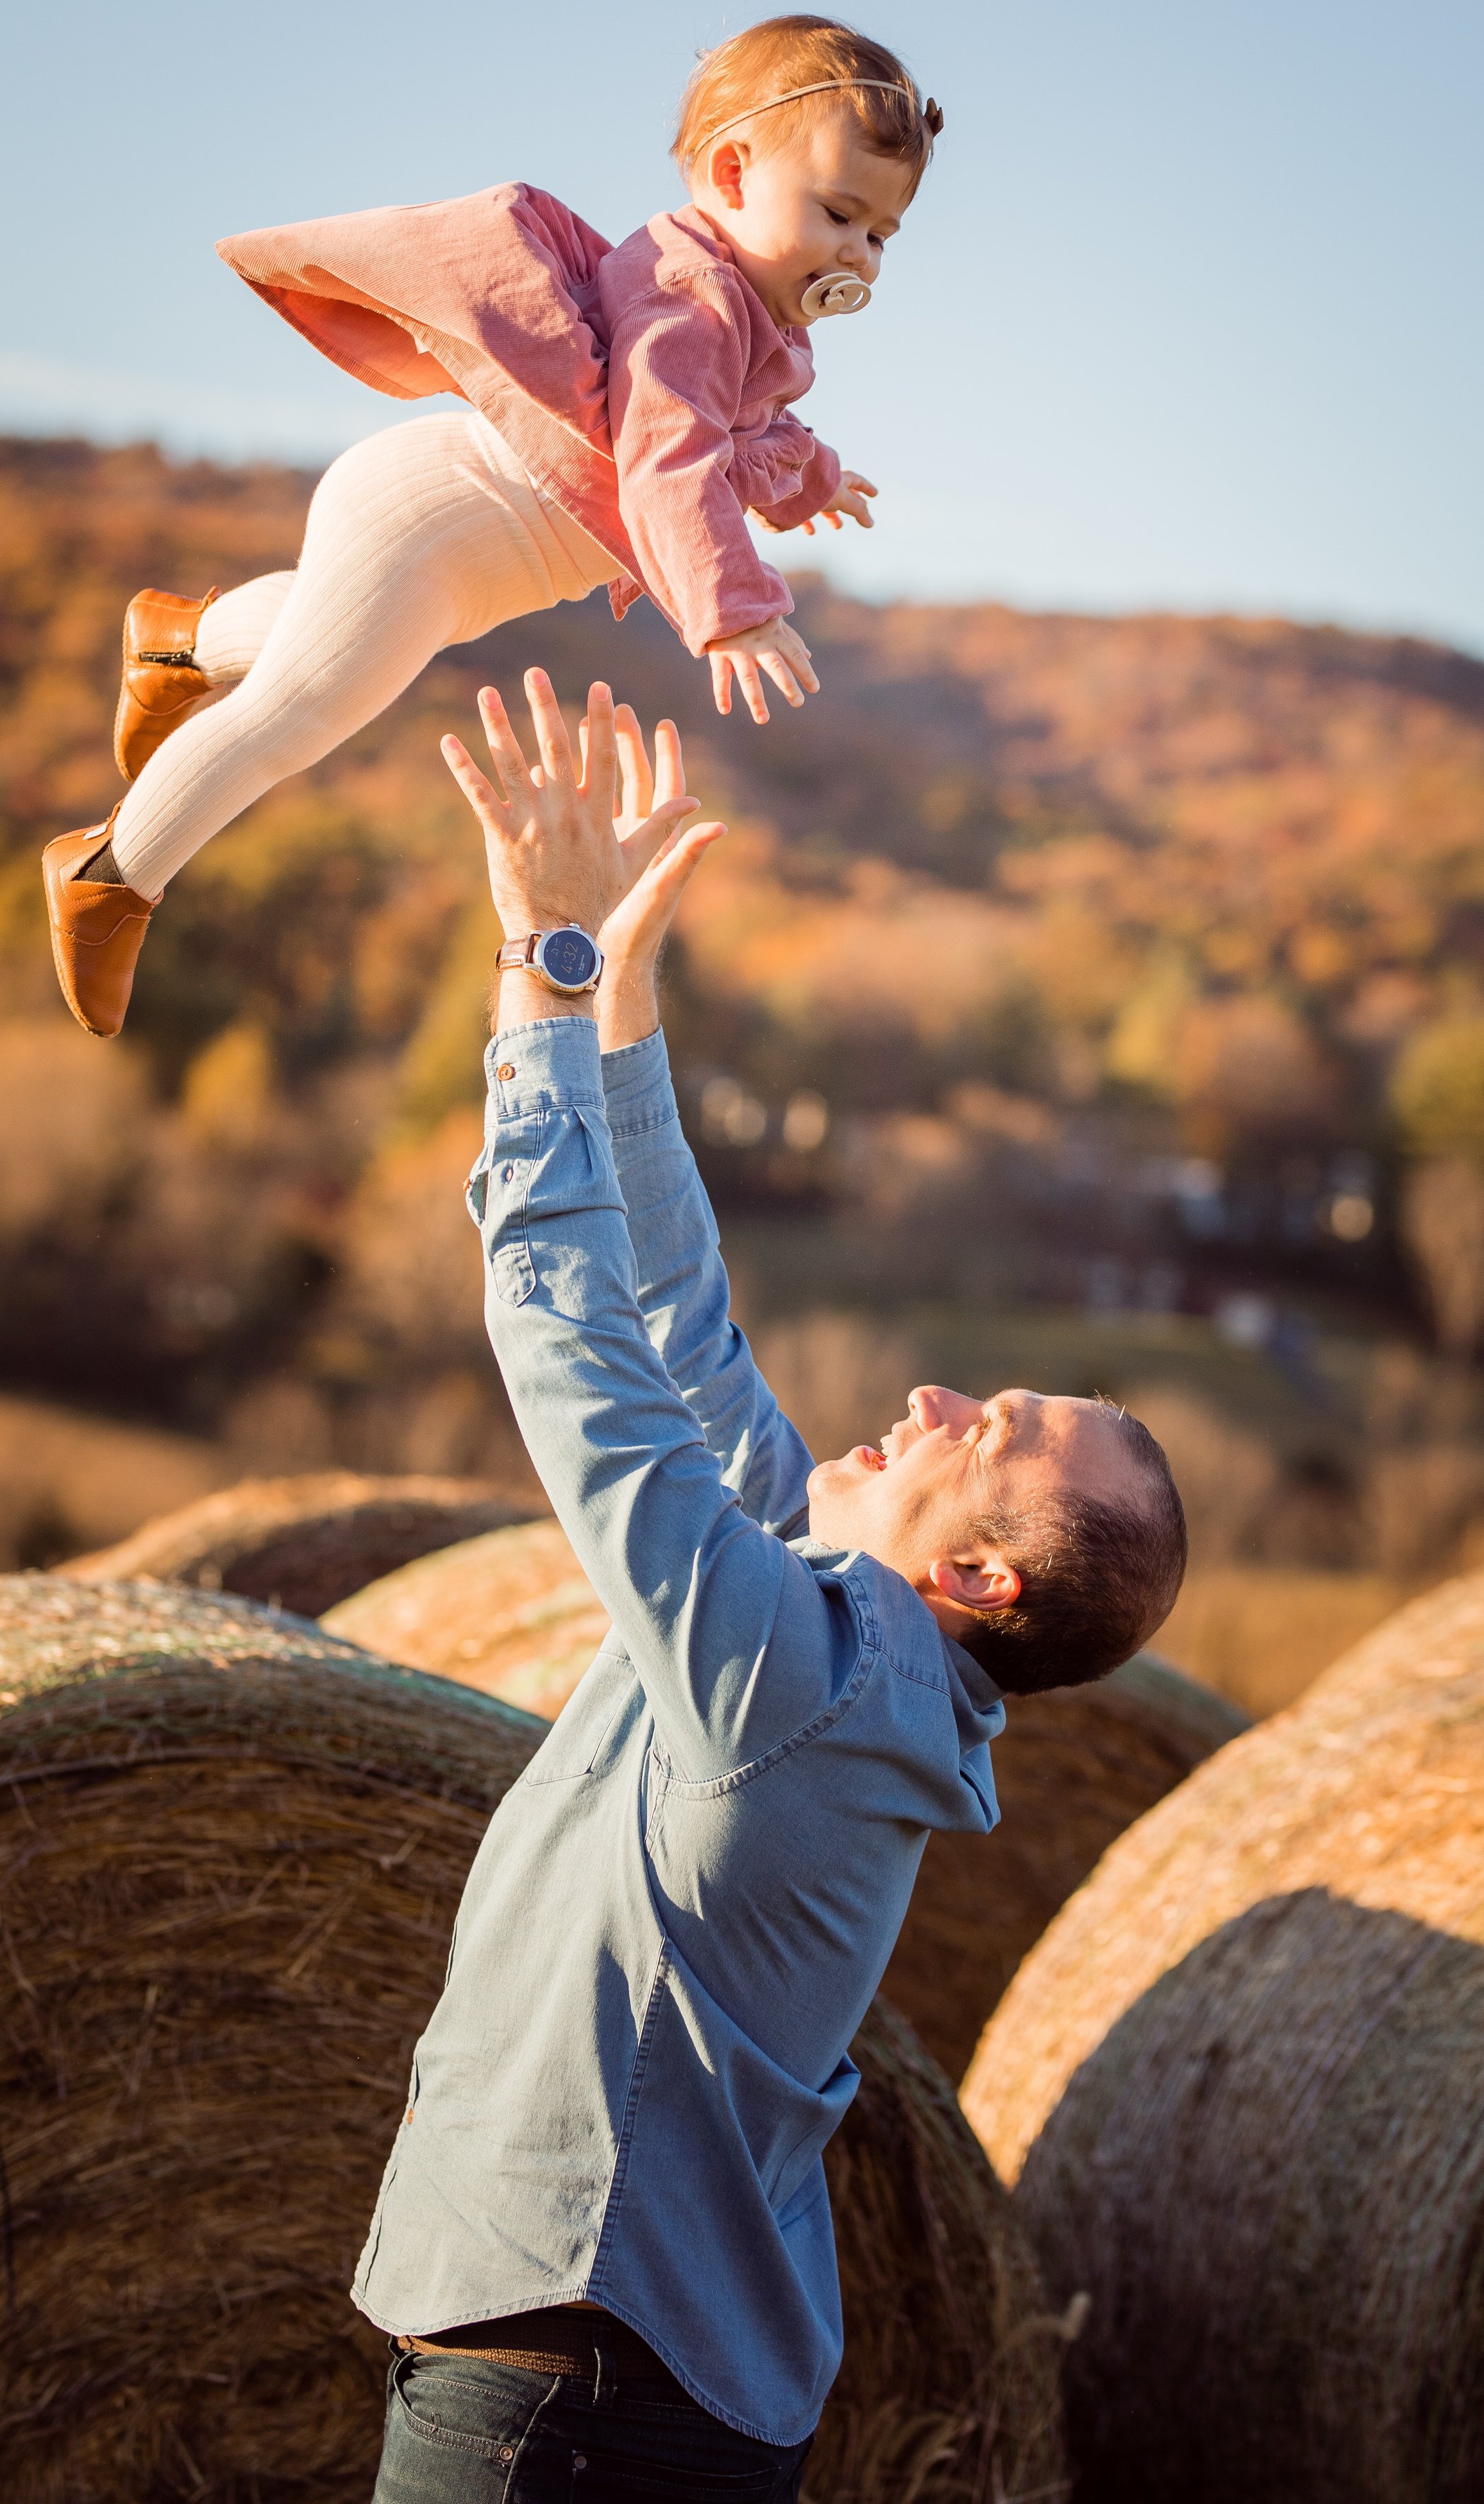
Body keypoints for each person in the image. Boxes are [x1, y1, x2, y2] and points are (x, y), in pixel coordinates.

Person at [359, 669, 1188, 2502]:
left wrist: (545, 977)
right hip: (618, 2392)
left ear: (969, 1568)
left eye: (983, 1423)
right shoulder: (841, 1643)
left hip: (567, 2409)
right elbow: (676, 1319)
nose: (927, 1395)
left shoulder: (802, 1670)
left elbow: (574, 1350)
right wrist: (629, 998)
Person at [41, 14, 941, 1041]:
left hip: (452, 546)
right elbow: (669, 456)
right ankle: (108, 874)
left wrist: (813, 473)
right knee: (299, 708)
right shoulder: (694, 297)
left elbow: (748, 436)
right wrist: (732, 610)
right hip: (432, 521)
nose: (858, 256)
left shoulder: (742, 317)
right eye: (837, 214)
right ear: (732, 173)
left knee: (320, 638)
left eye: (880, 235)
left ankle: (175, 642)